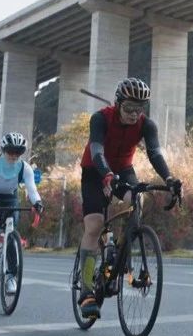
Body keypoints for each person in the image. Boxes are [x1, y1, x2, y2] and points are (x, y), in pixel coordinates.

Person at [77, 78, 182, 319]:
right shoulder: (101, 119)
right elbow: (96, 152)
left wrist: (169, 179)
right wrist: (107, 177)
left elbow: (155, 154)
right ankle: (87, 291)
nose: (134, 115)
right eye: (129, 109)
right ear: (118, 104)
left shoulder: (147, 125)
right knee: (93, 224)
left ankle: (120, 249)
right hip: (95, 170)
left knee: (137, 200)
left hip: (123, 170)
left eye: (140, 109)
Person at [0, 133, 44, 295]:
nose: (14, 156)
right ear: (4, 150)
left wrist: (37, 202)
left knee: (11, 235)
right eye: (10, 151)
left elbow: (32, 189)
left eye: (18, 152)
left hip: (10, 198)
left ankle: (11, 277)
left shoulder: (25, 168)